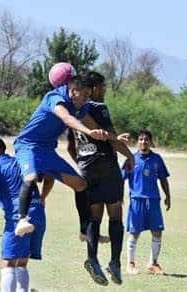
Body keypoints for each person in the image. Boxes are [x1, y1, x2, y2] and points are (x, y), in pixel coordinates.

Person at [14, 74, 110, 237]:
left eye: (89, 95)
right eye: (85, 95)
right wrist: (87, 131)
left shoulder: (80, 106)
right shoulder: (54, 98)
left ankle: (84, 231)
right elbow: (66, 118)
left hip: (48, 151)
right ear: (73, 92)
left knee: (80, 185)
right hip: (28, 146)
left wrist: (114, 137)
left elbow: (94, 126)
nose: (87, 99)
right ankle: (22, 220)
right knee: (30, 178)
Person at [67, 71, 134, 286]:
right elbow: (111, 140)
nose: (104, 91)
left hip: (86, 167)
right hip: (106, 165)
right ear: (94, 88)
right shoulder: (98, 107)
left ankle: (92, 258)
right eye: (102, 87)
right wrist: (130, 156)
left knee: (94, 215)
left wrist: (82, 164)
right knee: (115, 212)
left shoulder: (73, 110)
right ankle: (114, 262)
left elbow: (70, 146)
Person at [0, 136, 46, 292]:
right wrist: (43, 197)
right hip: (38, 214)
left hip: (19, 218)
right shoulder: (20, 161)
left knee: (8, 263)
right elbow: (48, 176)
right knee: (21, 262)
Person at [124, 130, 171, 275]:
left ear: (150, 142)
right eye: (141, 139)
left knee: (157, 232)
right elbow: (121, 179)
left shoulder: (157, 159)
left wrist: (168, 196)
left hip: (153, 200)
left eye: (146, 140)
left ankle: (153, 263)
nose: (143, 142)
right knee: (134, 232)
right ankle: (130, 264)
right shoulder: (130, 159)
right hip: (137, 200)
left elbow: (163, 178)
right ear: (137, 142)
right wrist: (118, 197)